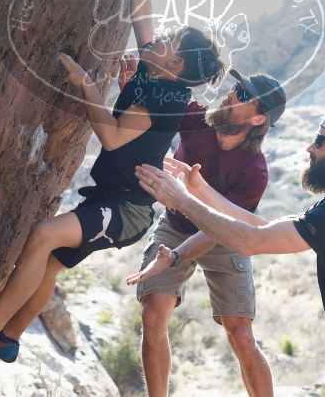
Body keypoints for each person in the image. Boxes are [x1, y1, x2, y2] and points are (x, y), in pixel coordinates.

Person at [0, 0, 226, 363]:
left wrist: (86, 87)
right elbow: (142, 5)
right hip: (115, 198)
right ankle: (11, 337)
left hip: (126, 210)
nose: (161, 35)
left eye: (171, 39)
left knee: (44, 235)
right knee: (53, 260)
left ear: (175, 65)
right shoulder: (155, 70)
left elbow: (112, 138)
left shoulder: (166, 99)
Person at [134, 109, 325, 396]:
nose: (310, 148)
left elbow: (251, 241)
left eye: (320, 141)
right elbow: (263, 226)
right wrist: (199, 190)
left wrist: (184, 201)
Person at [120, 60, 286, 397]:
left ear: (257, 119)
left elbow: (216, 231)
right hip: (177, 223)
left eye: (242, 95)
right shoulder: (198, 119)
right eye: (235, 87)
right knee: (153, 313)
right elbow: (154, 101)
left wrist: (175, 257)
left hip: (225, 235)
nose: (230, 95)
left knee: (239, 333)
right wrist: (131, 85)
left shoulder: (255, 171)